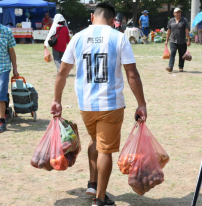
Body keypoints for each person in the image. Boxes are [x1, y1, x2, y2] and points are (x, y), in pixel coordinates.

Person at [50, 1, 147, 206]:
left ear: (93, 17)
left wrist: (57, 100)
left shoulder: (78, 37)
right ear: (113, 21)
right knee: (105, 150)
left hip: (86, 104)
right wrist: (141, 104)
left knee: (96, 141)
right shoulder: (118, 37)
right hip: (110, 105)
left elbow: (62, 72)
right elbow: (132, 75)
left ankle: (93, 183)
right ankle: (100, 199)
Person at [0, 24, 19, 133]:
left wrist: (15, 68)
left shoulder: (6, 31)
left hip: (3, 67)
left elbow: (11, 51)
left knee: (1, 92)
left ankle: (1, 120)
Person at [165, 8, 191, 72]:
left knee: (182, 54)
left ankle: (181, 67)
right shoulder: (171, 21)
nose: (179, 13)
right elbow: (168, 31)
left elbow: (187, 31)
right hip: (173, 41)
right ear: (174, 14)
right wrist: (166, 40)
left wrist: (188, 40)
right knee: (173, 53)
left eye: (179, 12)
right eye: (177, 12)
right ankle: (170, 67)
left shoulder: (184, 20)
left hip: (182, 41)